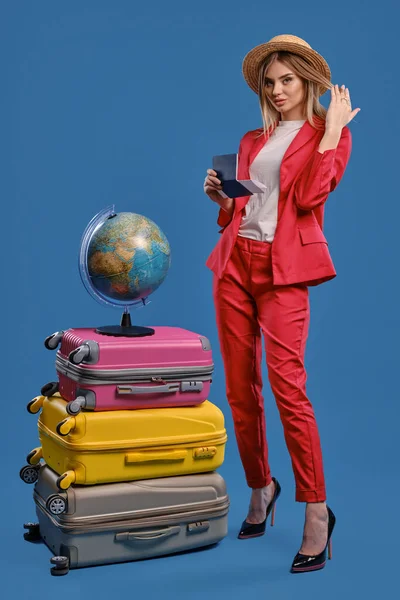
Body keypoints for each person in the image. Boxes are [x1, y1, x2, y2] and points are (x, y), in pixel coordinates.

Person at [203, 34, 359, 573]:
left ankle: (317, 510)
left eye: (287, 80)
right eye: (270, 83)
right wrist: (222, 199)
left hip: (283, 272)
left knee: (288, 387)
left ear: (308, 81)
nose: (277, 91)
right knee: (238, 390)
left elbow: (311, 197)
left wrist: (333, 128)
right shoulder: (251, 139)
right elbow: (241, 210)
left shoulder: (330, 137)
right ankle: (259, 486)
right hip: (234, 266)